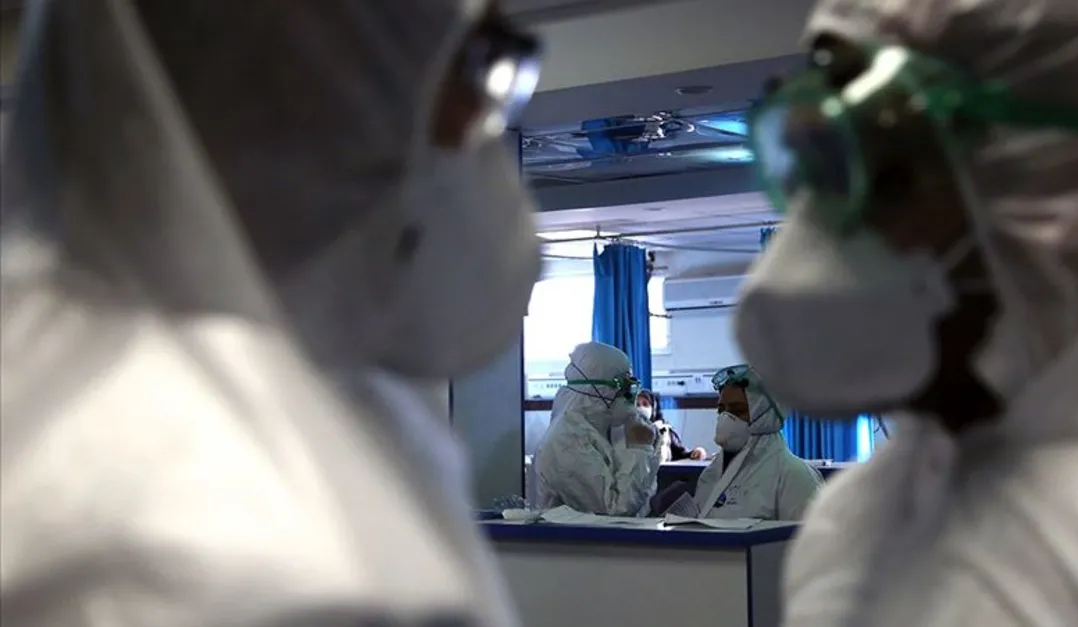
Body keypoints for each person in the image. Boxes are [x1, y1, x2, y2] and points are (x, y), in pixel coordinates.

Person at [0, 2, 543, 627]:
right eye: (475, 62)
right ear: (322, 89)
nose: (479, 117)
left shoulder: (337, 391)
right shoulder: (196, 538)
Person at [733, 0, 1078, 623]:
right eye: (814, 178)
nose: (816, 242)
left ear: (1058, 192)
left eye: (890, 180)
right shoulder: (854, 521)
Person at [534, 342, 661, 516]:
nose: (629, 397)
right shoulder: (565, 440)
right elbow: (613, 512)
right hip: (575, 534)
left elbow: (642, 500)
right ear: (598, 390)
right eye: (623, 387)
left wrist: (646, 448)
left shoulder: (607, 431)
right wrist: (639, 450)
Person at [693, 365, 824, 521]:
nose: (725, 417)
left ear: (765, 416)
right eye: (721, 409)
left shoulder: (794, 475)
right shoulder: (710, 475)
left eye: (737, 410)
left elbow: (811, 534)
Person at [636, 389, 707, 462]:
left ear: (654, 408)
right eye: (637, 405)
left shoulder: (664, 430)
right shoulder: (628, 431)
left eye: (645, 404)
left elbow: (680, 453)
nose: (641, 408)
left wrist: (695, 453)